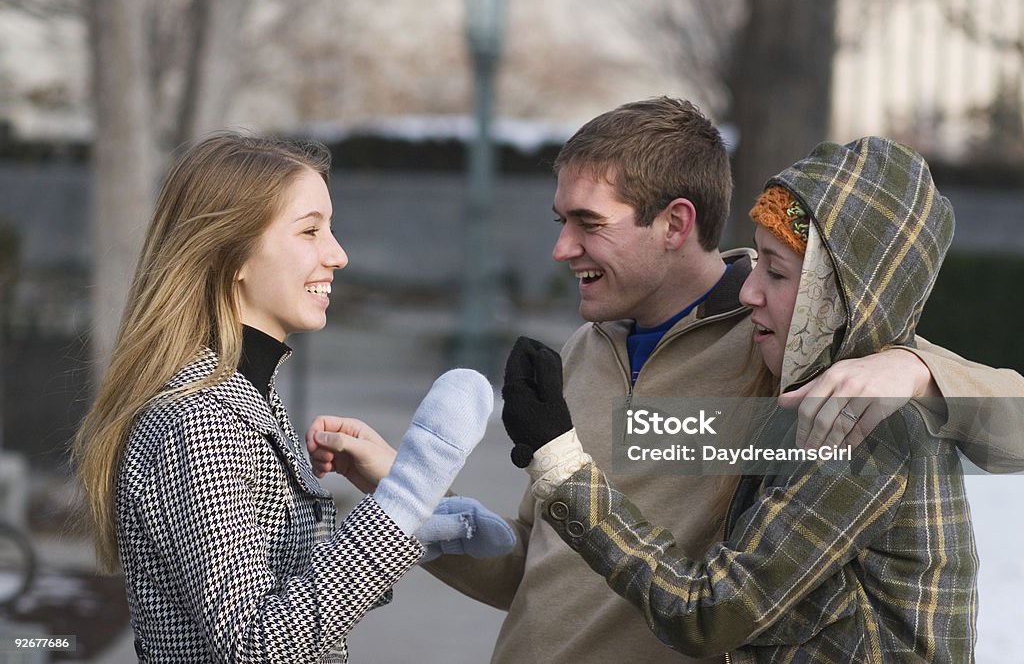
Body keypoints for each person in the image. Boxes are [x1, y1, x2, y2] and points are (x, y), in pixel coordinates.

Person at [311, 97, 1024, 663]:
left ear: (675, 223)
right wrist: (401, 488)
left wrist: (917, 365)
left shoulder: (786, 348)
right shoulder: (582, 354)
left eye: (588, 223)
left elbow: (1006, 422)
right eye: (560, 219)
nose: (562, 248)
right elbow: (535, 565)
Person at [500, 136, 979, 661]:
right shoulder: (804, 390)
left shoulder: (870, 426)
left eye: (775, 272)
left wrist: (561, 466)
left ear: (838, 294)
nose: (751, 291)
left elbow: (707, 615)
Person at [71, 132, 503, 663]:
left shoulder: (248, 400)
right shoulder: (199, 422)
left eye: (331, 229)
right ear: (231, 256)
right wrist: (406, 496)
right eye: (310, 231)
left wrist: (416, 527)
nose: (338, 254)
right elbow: (259, 643)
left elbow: (283, 590)